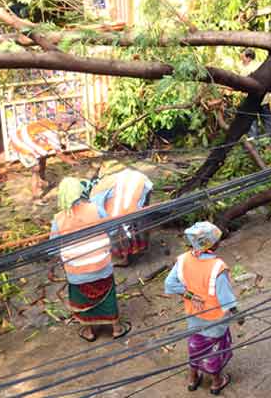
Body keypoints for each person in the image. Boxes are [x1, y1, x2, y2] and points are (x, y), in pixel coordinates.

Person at [50, 177, 130, 343]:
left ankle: (89, 330)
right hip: (102, 266)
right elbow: (113, 230)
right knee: (108, 295)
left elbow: (52, 247)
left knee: (82, 299)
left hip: (76, 272)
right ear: (80, 191)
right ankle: (116, 328)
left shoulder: (58, 219)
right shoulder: (95, 209)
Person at [164, 222, 239, 396]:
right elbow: (226, 298)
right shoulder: (218, 266)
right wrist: (237, 313)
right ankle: (216, 382)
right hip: (215, 320)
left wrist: (189, 295)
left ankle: (192, 379)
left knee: (195, 345)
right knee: (215, 350)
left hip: (193, 315)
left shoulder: (182, 260)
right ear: (212, 244)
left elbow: (169, 283)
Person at [91, 168, 154, 266]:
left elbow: (111, 224)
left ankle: (126, 257)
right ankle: (140, 246)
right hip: (141, 183)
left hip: (137, 188)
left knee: (121, 224)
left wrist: (113, 233)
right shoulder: (102, 189)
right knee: (135, 220)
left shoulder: (96, 197)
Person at [10, 118, 78, 196]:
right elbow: (59, 154)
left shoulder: (50, 123)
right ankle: (35, 196)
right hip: (20, 145)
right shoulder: (52, 132)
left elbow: (47, 140)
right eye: (69, 125)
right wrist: (71, 162)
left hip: (23, 139)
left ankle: (43, 181)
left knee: (43, 157)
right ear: (62, 124)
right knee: (36, 168)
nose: (70, 128)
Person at [240, 49, 271, 143]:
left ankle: (255, 144)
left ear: (248, 57)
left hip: (255, 99)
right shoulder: (257, 65)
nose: (241, 59)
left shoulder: (252, 68)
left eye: (242, 57)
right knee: (267, 120)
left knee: (253, 122)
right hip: (261, 98)